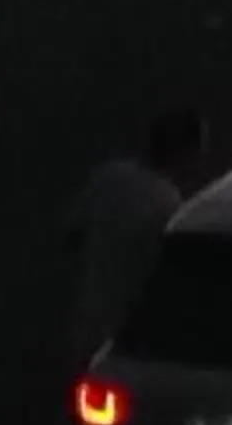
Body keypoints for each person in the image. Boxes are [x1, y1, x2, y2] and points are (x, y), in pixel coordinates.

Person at [64, 107, 206, 371]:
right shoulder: (168, 204)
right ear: (184, 151)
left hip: (88, 322)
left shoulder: (107, 177)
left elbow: (73, 235)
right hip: (127, 337)